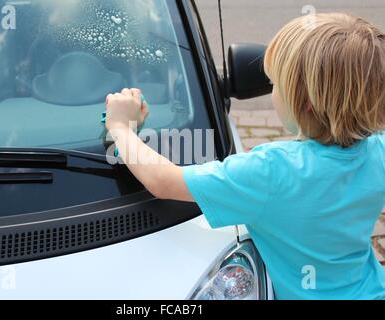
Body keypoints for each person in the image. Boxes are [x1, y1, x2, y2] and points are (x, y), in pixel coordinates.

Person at [104, 13, 385, 299]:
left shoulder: (271, 171)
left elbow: (162, 181)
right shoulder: (379, 152)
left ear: (306, 104)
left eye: (275, 84)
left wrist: (120, 127)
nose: (271, 91)